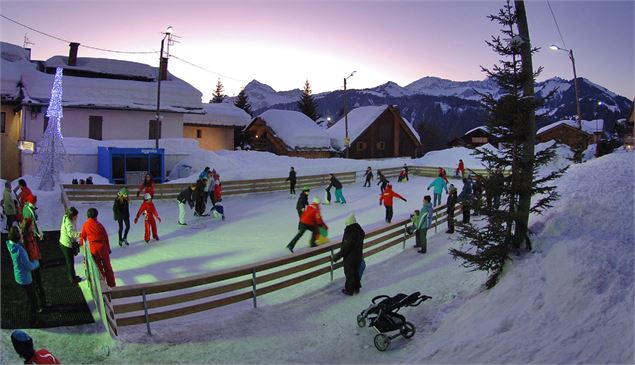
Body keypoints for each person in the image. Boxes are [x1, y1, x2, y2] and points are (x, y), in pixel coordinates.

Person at [6, 227, 41, 325]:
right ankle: (32, 321)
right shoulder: (20, 251)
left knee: (30, 296)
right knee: (33, 300)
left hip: (19, 276)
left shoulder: (11, 246)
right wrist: (36, 262)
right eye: (20, 234)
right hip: (25, 278)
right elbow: (29, 266)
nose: (22, 235)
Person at [80, 208, 116, 287]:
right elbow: (106, 237)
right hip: (102, 247)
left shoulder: (85, 225)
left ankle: (101, 285)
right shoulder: (99, 225)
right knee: (107, 266)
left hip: (93, 248)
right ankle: (111, 284)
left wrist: (82, 247)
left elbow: (82, 237)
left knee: (98, 268)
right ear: (96, 216)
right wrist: (108, 249)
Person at [333, 214, 365, 295]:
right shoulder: (358, 228)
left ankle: (350, 290)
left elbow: (345, 248)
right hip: (358, 255)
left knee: (349, 273)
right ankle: (357, 287)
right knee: (356, 272)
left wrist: (336, 257)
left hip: (350, 257)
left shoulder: (349, 231)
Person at [21, 218, 47, 311]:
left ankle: (43, 303)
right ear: (28, 227)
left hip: (35, 263)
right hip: (33, 265)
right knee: (37, 285)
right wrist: (36, 261)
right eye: (32, 225)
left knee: (39, 284)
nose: (33, 226)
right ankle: (41, 304)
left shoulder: (31, 236)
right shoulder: (27, 239)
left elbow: (35, 249)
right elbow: (31, 253)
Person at [59, 207, 81, 283]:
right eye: (75, 216)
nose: (77, 217)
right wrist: (81, 234)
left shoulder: (66, 217)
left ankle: (73, 276)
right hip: (66, 245)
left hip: (64, 242)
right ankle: (72, 279)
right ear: (72, 216)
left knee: (70, 262)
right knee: (70, 263)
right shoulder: (69, 223)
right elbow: (71, 233)